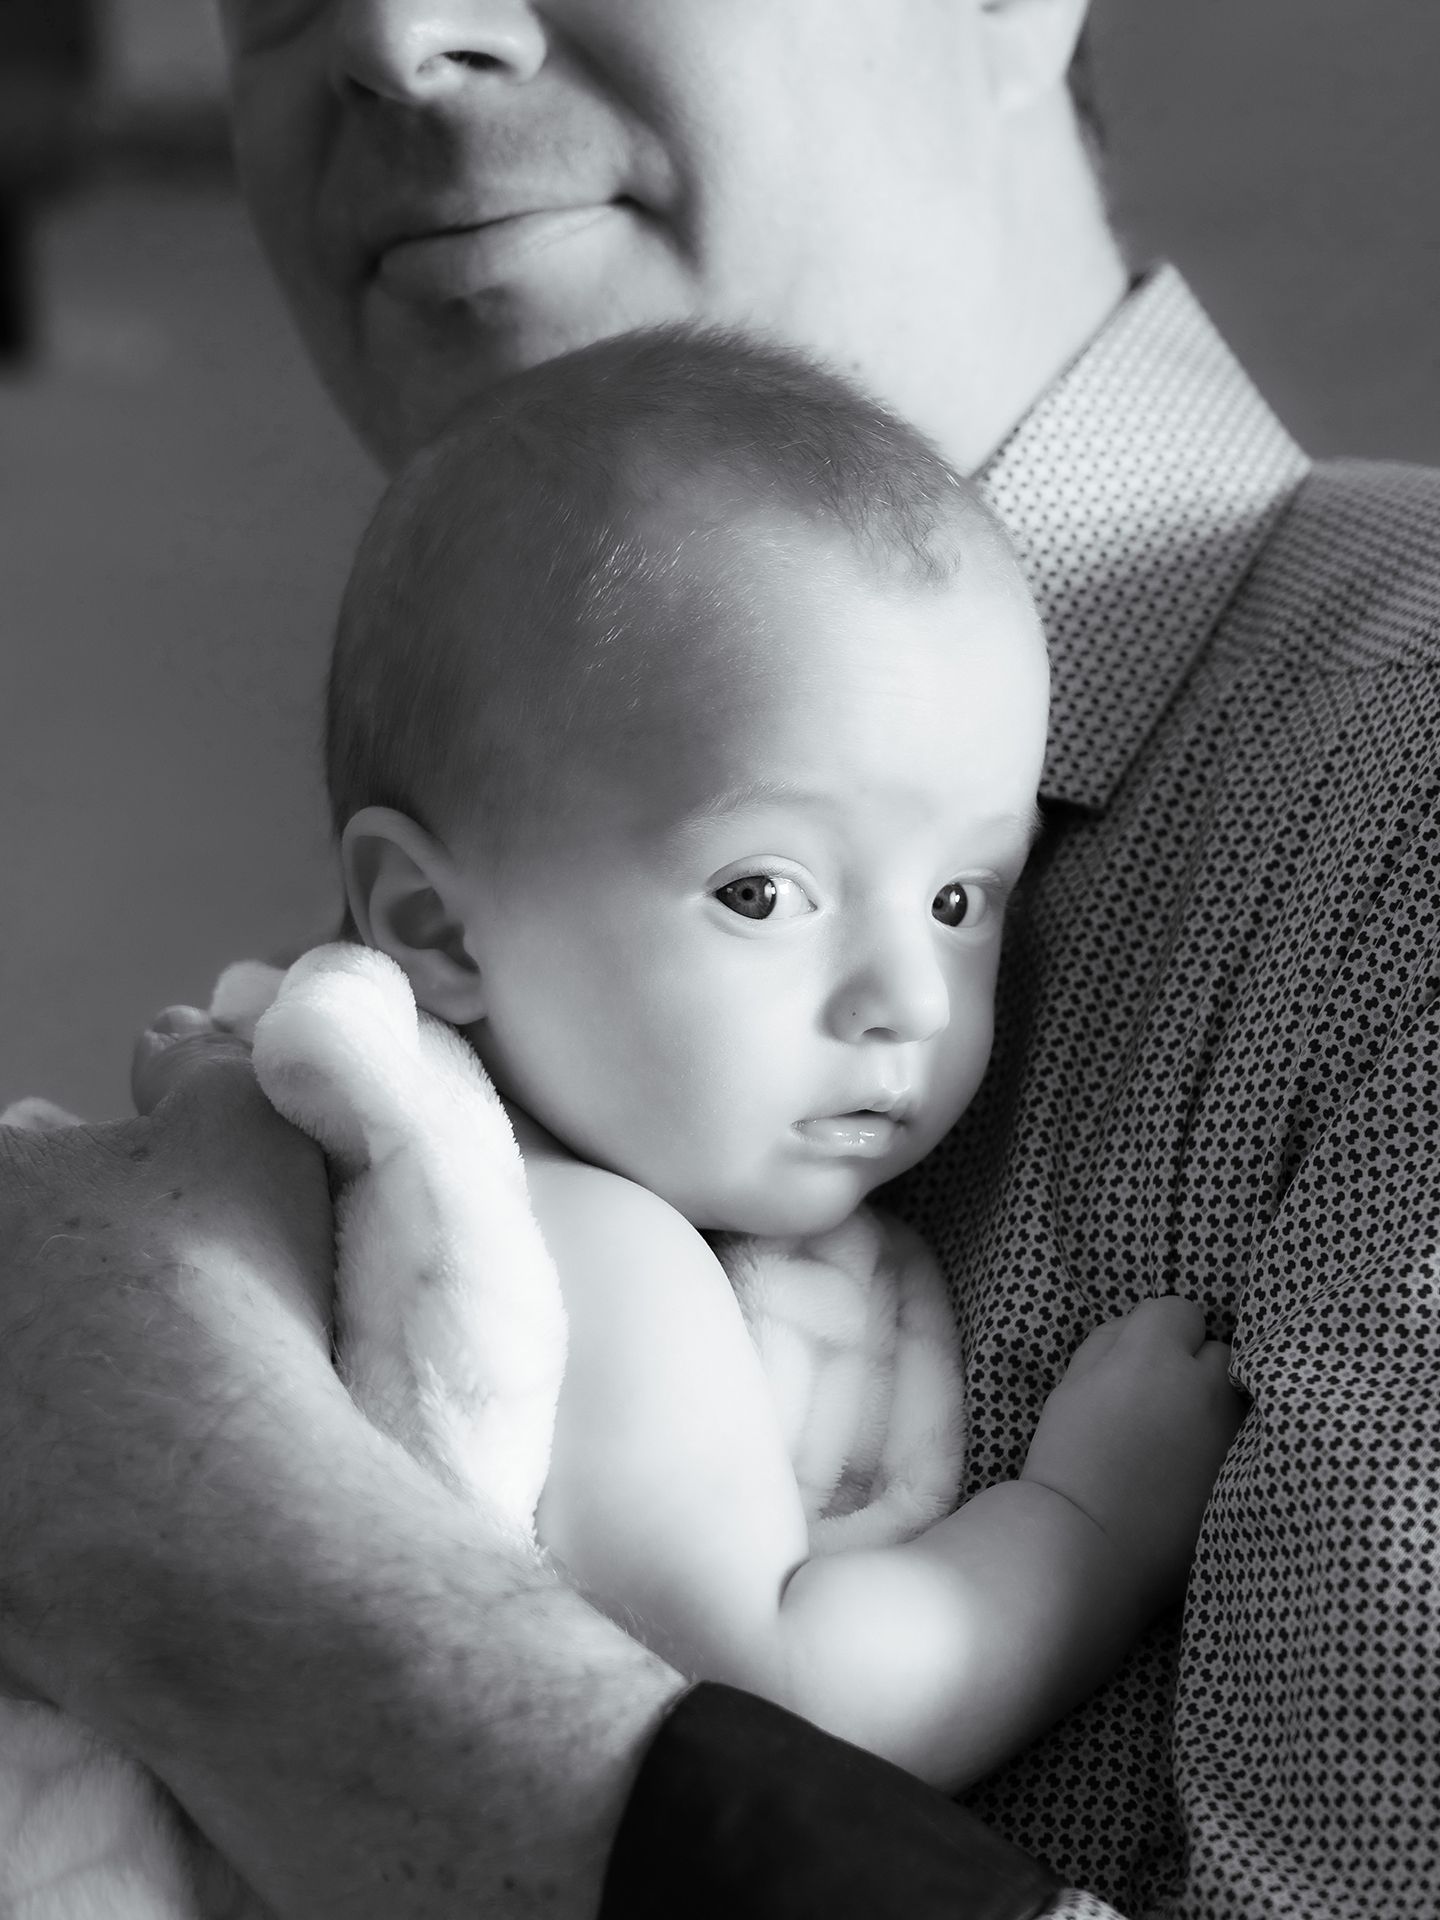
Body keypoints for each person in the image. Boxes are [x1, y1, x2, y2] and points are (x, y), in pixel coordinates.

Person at [0, 2, 1436, 1915]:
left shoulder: (1397, 791)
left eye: (962, 899)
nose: (392, 33)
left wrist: (210, 1520)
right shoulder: (506, 1046)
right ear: (428, 917)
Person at [321, 327, 1240, 1786]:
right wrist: (1087, 1529)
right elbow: (777, 1716)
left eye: (960, 901)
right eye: (762, 892)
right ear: (438, 927)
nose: (909, 1000)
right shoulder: (582, 1252)